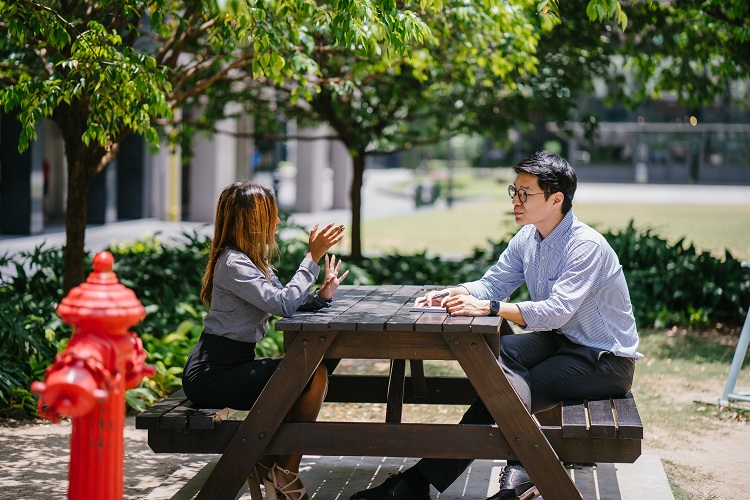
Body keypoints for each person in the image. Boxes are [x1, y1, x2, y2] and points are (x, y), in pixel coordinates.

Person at [349, 150, 641, 500]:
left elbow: (556, 311)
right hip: (561, 341)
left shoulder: (585, 246)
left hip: (604, 359)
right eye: (513, 191)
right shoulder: (528, 239)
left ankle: (422, 483)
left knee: (501, 390)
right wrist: (454, 292)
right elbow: (493, 283)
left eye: (525, 193)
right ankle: (517, 472)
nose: (516, 200)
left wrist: (489, 307)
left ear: (556, 199)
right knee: (492, 360)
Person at [182, 180, 349, 500]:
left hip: (230, 364)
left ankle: (273, 464)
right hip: (212, 373)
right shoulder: (233, 264)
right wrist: (311, 258)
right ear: (252, 221)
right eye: (271, 215)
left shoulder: (251, 261)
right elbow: (282, 305)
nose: (278, 222)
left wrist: (321, 297)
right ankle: (281, 472)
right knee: (311, 376)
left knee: (312, 374)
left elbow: (284, 299)